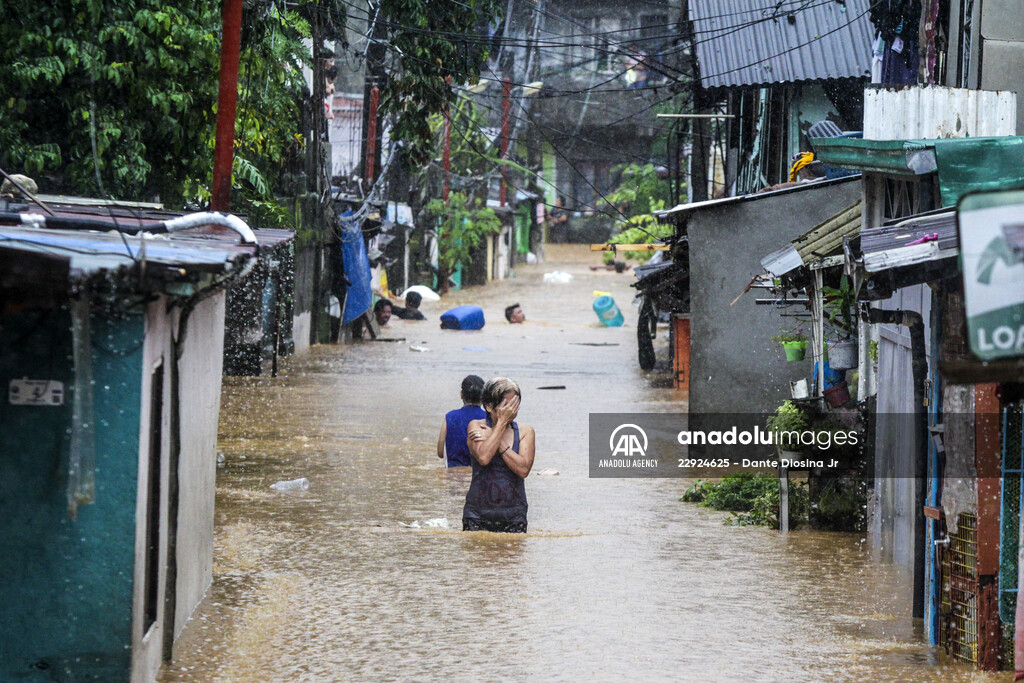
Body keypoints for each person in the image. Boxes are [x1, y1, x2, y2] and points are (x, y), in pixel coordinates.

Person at [463, 377, 535, 532]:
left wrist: (497, 439)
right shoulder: (476, 426)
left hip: (514, 515)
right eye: (506, 405)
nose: (511, 410)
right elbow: (483, 457)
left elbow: (523, 469)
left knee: (511, 557)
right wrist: (501, 423)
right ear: (489, 406)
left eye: (514, 405)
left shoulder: (525, 432)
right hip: (477, 514)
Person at [436, 375, 486, 467]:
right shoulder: (488, 418)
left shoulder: (450, 417)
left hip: (452, 474)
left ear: (461, 394)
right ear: (483, 398)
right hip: (478, 476)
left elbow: (440, 452)